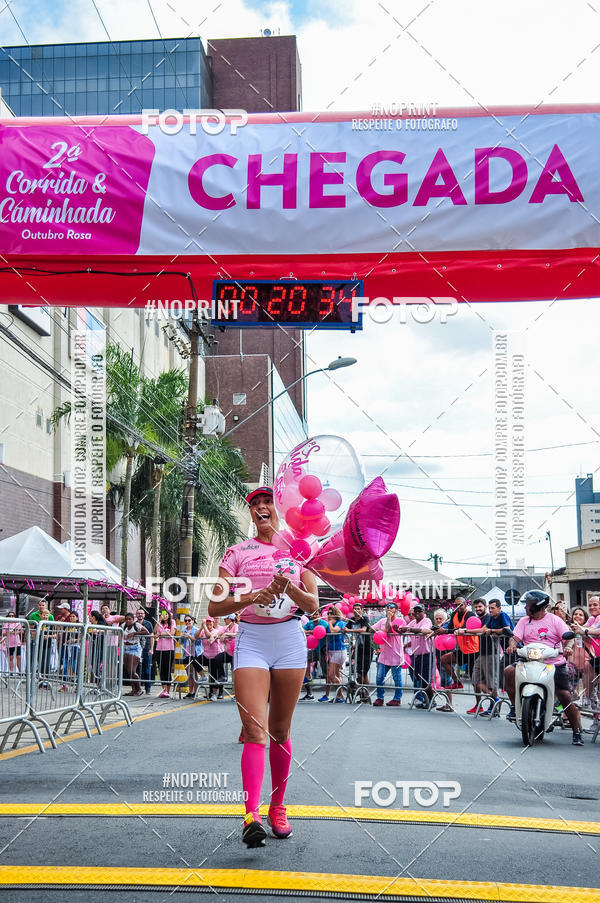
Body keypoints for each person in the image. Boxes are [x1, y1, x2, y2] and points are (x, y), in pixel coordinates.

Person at [207, 485, 319, 847]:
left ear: (280, 508)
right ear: (251, 513)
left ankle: (278, 808)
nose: (261, 507)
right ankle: (251, 815)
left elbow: (313, 605)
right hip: (252, 640)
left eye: (267, 501)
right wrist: (254, 595)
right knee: (254, 730)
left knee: (280, 732)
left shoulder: (301, 549)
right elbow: (214, 606)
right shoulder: (238, 552)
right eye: (255, 504)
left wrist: (289, 587)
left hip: (289, 641)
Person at [503, 590, 584, 746]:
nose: (525, 608)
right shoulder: (524, 621)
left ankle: (576, 731)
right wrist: (512, 645)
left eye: (528, 605)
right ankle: (514, 706)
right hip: (529, 660)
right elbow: (514, 638)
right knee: (509, 671)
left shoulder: (555, 620)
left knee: (564, 695)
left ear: (537, 606)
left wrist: (568, 647)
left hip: (553, 663)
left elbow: (569, 637)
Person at [467, 599, 513, 715]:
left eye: (493, 608)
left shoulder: (502, 615)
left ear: (499, 608)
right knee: (475, 679)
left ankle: (495, 708)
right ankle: (496, 700)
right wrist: (466, 631)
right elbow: (484, 630)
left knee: (494, 682)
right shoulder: (492, 618)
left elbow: (507, 629)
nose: (491, 610)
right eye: (490, 608)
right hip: (484, 652)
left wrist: (492, 630)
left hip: (503, 650)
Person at [440, 597, 479, 689]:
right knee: (444, 659)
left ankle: (485, 696)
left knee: (475, 681)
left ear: (465, 605)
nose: (458, 607)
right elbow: (450, 628)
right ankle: (457, 682)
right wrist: (440, 629)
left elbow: (463, 628)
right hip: (462, 650)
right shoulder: (454, 614)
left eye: (460, 604)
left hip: (473, 651)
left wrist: (446, 631)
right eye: (456, 605)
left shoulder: (470, 614)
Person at [372, 601, 404, 707]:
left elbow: (388, 629)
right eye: (387, 607)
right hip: (384, 655)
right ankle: (380, 698)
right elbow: (372, 628)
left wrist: (389, 618)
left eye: (391, 607)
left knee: (397, 678)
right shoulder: (382, 620)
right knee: (379, 677)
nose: (389, 609)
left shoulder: (400, 621)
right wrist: (375, 631)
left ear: (396, 610)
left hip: (396, 654)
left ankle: (397, 699)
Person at [401, 604, 434, 708]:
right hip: (417, 654)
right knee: (419, 677)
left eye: (419, 611)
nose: (417, 613)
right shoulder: (413, 622)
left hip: (427, 654)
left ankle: (431, 701)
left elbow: (424, 630)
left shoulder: (426, 620)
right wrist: (398, 629)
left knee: (425, 679)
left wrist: (409, 629)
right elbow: (404, 630)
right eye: (415, 611)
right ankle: (426, 700)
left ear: (424, 612)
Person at [319, 605, 346, 703]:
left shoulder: (340, 622)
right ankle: (339, 695)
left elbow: (333, 631)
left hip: (339, 650)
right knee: (336, 674)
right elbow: (328, 637)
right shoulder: (329, 624)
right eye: (328, 613)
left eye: (331, 613)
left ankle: (341, 695)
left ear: (335, 614)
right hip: (331, 650)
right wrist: (326, 650)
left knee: (331, 675)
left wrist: (330, 623)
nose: (329, 615)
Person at [343, 602, 373, 687]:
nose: (356, 610)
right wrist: (344, 629)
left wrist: (349, 630)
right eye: (355, 609)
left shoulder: (364, 619)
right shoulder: (351, 620)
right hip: (357, 649)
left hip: (366, 649)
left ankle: (365, 691)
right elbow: (345, 628)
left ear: (362, 610)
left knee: (364, 673)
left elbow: (363, 629)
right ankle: (361, 690)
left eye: (358, 609)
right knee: (359, 673)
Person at [302, 611, 328, 700]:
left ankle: (327, 694)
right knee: (305, 661)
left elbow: (321, 631)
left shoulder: (324, 623)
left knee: (326, 673)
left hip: (323, 649)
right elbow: (302, 630)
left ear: (320, 615)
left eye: (316, 614)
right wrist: (309, 631)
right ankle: (309, 693)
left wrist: (309, 632)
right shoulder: (310, 623)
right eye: (313, 614)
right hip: (314, 649)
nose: (314, 616)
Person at [199, 615, 227, 701]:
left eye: (217, 618)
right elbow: (200, 636)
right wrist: (203, 627)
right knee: (212, 675)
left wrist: (211, 636)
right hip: (208, 655)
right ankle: (211, 692)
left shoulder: (219, 629)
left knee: (218, 675)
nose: (216, 619)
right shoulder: (206, 629)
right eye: (215, 618)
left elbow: (211, 637)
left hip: (218, 654)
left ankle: (220, 692)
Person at [122, 612, 149, 696]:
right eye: (126, 619)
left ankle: (139, 689)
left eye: (130, 619)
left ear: (133, 620)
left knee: (132, 670)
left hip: (135, 648)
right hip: (126, 647)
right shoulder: (123, 626)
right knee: (128, 671)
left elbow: (146, 632)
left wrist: (134, 633)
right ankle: (133, 690)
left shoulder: (137, 625)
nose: (128, 621)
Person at [154, 609, 176, 698]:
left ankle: (168, 690)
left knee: (167, 669)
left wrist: (160, 634)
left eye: (166, 614)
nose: (165, 616)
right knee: (161, 670)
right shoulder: (160, 623)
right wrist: (159, 620)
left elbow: (171, 633)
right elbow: (155, 631)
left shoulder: (172, 622)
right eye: (163, 614)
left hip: (169, 649)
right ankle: (164, 690)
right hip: (159, 649)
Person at [181, 615, 202, 698]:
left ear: (193, 621)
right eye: (185, 620)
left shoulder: (196, 630)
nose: (187, 622)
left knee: (194, 673)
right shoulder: (183, 630)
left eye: (189, 620)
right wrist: (181, 637)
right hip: (186, 653)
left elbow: (198, 641)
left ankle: (195, 692)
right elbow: (181, 642)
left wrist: (189, 636)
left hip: (194, 653)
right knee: (189, 674)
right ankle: (190, 691)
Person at [135, 607, 155, 694]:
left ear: (144, 615)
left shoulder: (148, 623)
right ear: (136, 615)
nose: (140, 615)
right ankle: (137, 688)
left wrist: (151, 649)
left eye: (141, 613)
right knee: (136, 669)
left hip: (146, 648)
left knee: (146, 668)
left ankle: (148, 688)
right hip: (136, 648)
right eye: (138, 613)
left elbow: (152, 637)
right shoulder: (133, 623)